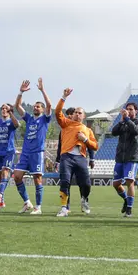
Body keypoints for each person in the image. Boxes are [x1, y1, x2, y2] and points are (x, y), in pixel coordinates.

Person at [54, 88, 98, 217]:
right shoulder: (66, 124)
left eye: (80, 113)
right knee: (65, 181)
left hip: (80, 158)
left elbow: (95, 146)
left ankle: (84, 200)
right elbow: (57, 112)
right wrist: (63, 97)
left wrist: (85, 140)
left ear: (84, 116)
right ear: (72, 115)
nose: (77, 114)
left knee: (86, 184)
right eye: (76, 112)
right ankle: (63, 208)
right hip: (66, 157)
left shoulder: (87, 130)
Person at [13, 78, 52, 215]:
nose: (36, 108)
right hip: (25, 153)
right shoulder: (29, 118)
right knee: (17, 176)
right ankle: (27, 202)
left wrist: (42, 90)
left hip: (37, 153)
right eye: (35, 106)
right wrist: (20, 92)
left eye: (38, 106)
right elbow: (17, 106)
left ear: (42, 109)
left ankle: (38, 207)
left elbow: (49, 105)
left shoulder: (45, 119)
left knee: (37, 179)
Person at [110, 102, 138, 217]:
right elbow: (113, 132)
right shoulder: (123, 123)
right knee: (116, 184)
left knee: (130, 182)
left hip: (132, 157)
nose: (128, 111)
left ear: (136, 111)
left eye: (131, 109)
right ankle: (126, 200)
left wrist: (128, 119)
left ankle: (129, 209)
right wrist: (121, 120)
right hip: (120, 157)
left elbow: (135, 131)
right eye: (127, 109)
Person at [0, 103, 20, 211]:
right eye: (2, 109)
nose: (3, 110)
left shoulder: (11, 121)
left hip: (9, 151)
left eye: (5, 109)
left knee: (5, 172)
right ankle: (1, 203)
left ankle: (0, 194)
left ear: (9, 111)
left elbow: (17, 125)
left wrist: (11, 112)